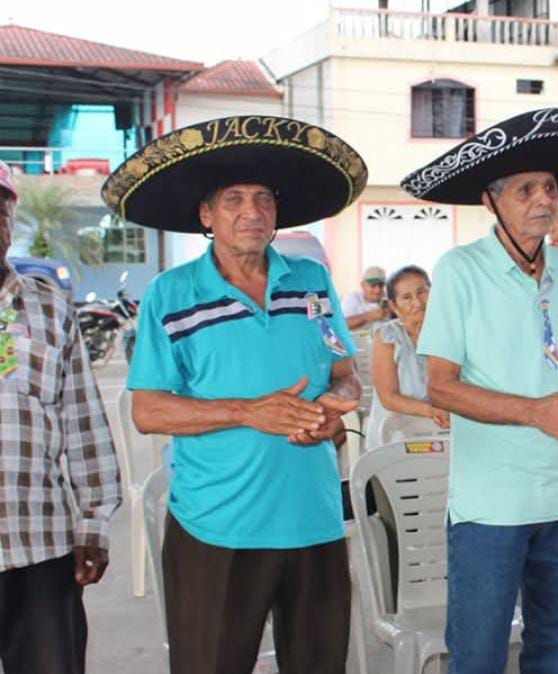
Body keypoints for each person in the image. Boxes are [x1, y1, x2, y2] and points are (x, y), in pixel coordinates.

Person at [104, 115, 368, 674]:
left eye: (264, 199)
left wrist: (332, 407)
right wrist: (251, 412)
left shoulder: (312, 282)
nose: (253, 212)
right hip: (216, 527)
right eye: (234, 200)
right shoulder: (171, 294)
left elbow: (345, 373)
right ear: (206, 215)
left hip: (314, 517)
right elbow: (148, 410)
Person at [400, 106, 558, 673]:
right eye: (525, 189)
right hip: (492, 504)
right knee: (478, 655)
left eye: (550, 188)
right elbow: (441, 387)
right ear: (491, 201)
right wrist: (532, 412)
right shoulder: (460, 269)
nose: (543, 200)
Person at [0, 159, 122, 674]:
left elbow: (82, 419)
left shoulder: (49, 308)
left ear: (10, 220)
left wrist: (93, 522)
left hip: (40, 541)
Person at [366, 265, 449, 438]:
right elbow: (388, 397)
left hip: (444, 429)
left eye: (422, 292)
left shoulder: (448, 333)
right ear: (394, 306)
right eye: (406, 297)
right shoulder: (387, 336)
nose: (417, 303)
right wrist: (432, 411)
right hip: (395, 433)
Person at [342, 265, 392, 331]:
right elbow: (342, 325)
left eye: (381, 285)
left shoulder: (389, 298)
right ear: (362, 285)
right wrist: (368, 316)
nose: (377, 290)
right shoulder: (352, 298)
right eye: (373, 285)